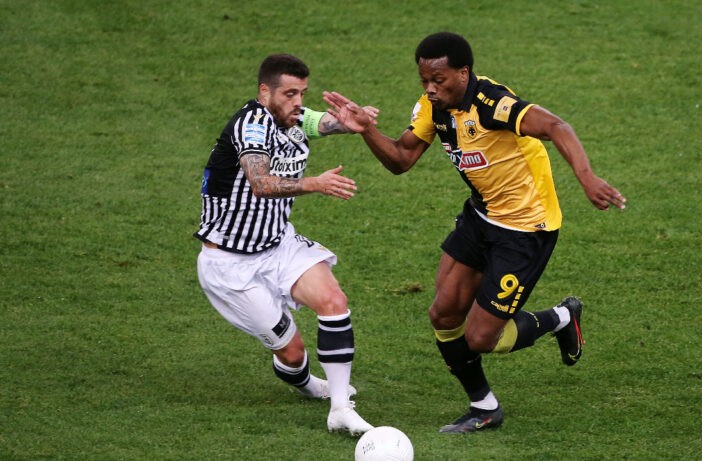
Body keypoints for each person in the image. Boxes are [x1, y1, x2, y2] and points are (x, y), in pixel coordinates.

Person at [323, 32, 626, 433]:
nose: (430, 89)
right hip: (481, 216)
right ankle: (484, 407)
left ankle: (561, 318)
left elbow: (556, 126)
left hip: (525, 228)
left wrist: (587, 178)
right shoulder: (434, 107)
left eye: (439, 80)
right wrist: (366, 130)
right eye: (424, 81)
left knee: (482, 337)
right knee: (443, 313)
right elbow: (401, 159)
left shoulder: (492, 104)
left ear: (463, 73)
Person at [194, 54, 377, 436]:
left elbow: (318, 122)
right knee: (292, 356)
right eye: (290, 94)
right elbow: (260, 183)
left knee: (334, 301)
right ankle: (308, 385)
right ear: (265, 91)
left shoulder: (292, 118)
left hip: (278, 244)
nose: (298, 102)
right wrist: (314, 183)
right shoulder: (251, 126)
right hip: (230, 264)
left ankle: (340, 408)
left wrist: (349, 125)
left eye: (302, 93)